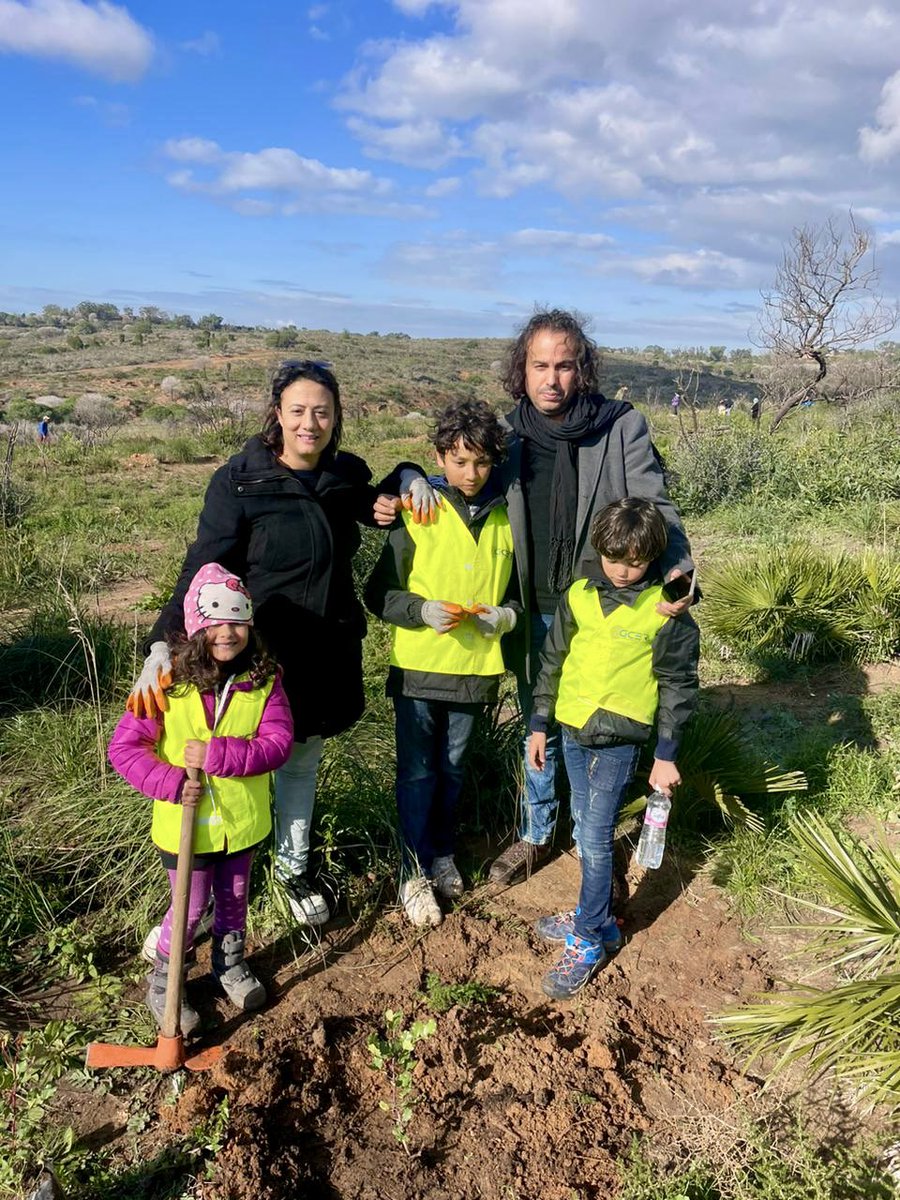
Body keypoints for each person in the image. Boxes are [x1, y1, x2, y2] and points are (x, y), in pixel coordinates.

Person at [127, 360, 422, 928]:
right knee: (230, 764)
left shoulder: (343, 475)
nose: (310, 423)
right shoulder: (240, 481)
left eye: (322, 412)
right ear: (278, 414)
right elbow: (202, 565)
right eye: (298, 411)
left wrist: (409, 476)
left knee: (300, 761)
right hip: (255, 657)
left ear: (336, 417)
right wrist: (161, 645)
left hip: (325, 651)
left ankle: (290, 870)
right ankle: (203, 894)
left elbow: (378, 500)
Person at [487, 309, 694, 885]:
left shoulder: (619, 426)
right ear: (522, 369)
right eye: (539, 366)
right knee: (540, 718)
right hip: (534, 604)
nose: (551, 379)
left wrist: (679, 577)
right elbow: (462, 476)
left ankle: (589, 838)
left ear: (582, 370)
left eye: (564, 366)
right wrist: (406, 479)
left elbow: (657, 507)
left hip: (601, 606)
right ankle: (536, 832)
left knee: (595, 726)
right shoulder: (508, 434)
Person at [109, 564, 294, 1032]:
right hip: (184, 828)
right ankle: (165, 981)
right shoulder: (166, 682)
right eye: (215, 622)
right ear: (196, 627)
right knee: (190, 908)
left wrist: (218, 755)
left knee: (234, 899)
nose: (227, 632)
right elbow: (125, 749)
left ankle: (228, 964)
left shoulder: (264, 679)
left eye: (237, 621)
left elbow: (277, 743)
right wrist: (171, 783)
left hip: (242, 824)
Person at [527, 499, 699, 998]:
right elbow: (553, 661)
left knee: (597, 836)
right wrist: (538, 724)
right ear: (598, 551)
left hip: (619, 741)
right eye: (613, 558)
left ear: (653, 559)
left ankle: (586, 939)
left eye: (636, 562)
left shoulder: (664, 609)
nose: (623, 570)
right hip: (572, 730)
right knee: (584, 825)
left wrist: (666, 754)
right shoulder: (578, 596)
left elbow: (678, 684)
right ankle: (596, 916)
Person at [365, 400, 520, 927]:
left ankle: (442, 853)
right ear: (438, 458)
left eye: (481, 463)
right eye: (459, 462)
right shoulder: (417, 512)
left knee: (453, 770)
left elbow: (517, 596)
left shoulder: (507, 518)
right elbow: (378, 594)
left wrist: (505, 617)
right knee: (417, 772)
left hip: (475, 673)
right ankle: (412, 870)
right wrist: (421, 611)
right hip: (418, 671)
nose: (471, 474)